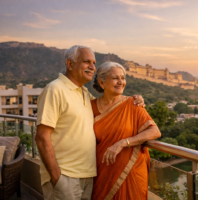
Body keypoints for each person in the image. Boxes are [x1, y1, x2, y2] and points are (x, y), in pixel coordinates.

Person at [35, 45, 144, 200]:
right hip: (66, 176)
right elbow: (41, 137)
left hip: (88, 176)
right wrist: (56, 177)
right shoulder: (55, 89)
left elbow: (110, 107)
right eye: (86, 62)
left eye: (94, 63)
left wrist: (135, 100)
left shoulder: (85, 95)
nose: (92, 67)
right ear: (70, 64)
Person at [91, 62, 161, 200]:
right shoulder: (90, 107)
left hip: (132, 172)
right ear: (102, 82)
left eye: (123, 78)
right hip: (102, 172)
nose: (121, 82)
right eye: (115, 78)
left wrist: (124, 142)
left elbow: (155, 131)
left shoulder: (133, 104)